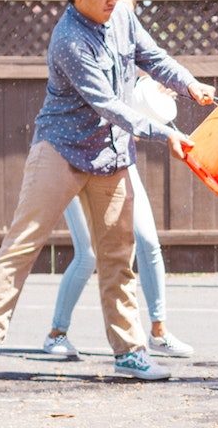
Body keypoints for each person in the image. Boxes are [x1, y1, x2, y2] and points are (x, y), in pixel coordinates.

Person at [0, 0, 216, 384]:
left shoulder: (122, 15)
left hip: (110, 154)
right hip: (60, 149)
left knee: (118, 256)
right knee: (22, 244)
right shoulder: (69, 40)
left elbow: (150, 57)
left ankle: (130, 353)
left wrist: (190, 83)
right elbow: (110, 104)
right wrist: (166, 133)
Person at [43, 78, 194, 359]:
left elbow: (147, 66)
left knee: (148, 241)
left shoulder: (127, 51)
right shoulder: (80, 51)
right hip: (74, 157)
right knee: (87, 255)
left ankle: (159, 332)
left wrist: (162, 84)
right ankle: (56, 334)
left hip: (117, 161)